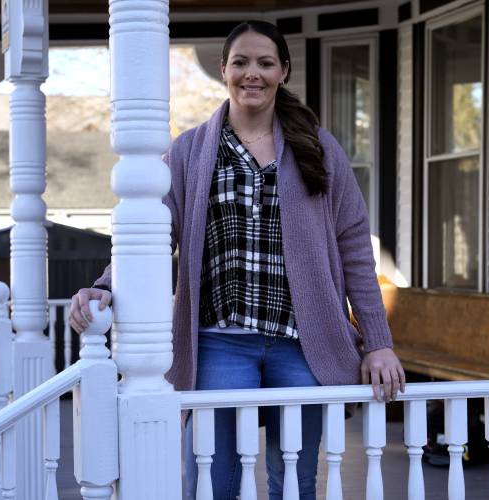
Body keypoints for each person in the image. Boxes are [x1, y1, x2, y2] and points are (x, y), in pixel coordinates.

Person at [69, 20, 405, 500]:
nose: (253, 74)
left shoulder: (319, 148)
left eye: (266, 63)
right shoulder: (189, 151)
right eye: (241, 62)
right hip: (220, 344)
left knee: (296, 483)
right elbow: (152, 233)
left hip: (300, 344)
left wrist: (378, 342)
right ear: (224, 69)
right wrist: (106, 285)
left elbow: (353, 245)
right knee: (212, 481)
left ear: (283, 72)